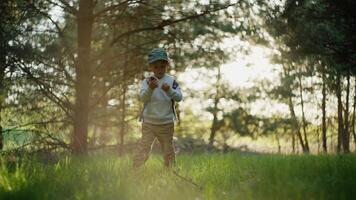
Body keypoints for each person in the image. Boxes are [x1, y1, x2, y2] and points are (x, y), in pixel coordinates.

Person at [133, 48, 183, 168]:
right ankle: (135, 169)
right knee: (144, 148)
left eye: (162, 66)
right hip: (149, 123)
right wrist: (150, 88)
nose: (159, 69)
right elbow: (143, 98)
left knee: (168, 150)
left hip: (166, 123)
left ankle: (170, 172)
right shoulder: (147, 81)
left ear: (166, 65)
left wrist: (169, 90)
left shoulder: (171, 81)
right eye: (156, 67)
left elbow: (179, 97)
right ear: (151, 67)